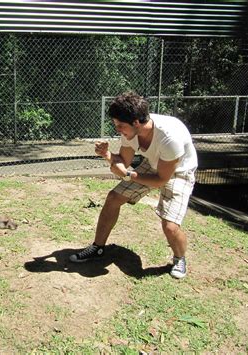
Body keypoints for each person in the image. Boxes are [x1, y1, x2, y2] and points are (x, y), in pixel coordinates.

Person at [69, 92, 197, 279]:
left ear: (136, 122)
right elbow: (124, 161)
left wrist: (128, 175)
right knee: (113, 198)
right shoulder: (130, 132)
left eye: (120, 126)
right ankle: (97, 248)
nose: (118, 130)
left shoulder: (169, 138)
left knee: (170, 226)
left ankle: (179, 258)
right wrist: (107, 155)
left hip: (179, 171)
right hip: (153, 164)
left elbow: (161, 179)